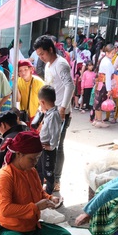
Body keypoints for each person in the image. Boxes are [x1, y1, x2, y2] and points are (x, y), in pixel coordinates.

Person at [34, 35, 74, 193]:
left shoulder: (61, 64)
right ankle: (47, 175)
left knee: (57, 145)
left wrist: (63, 108)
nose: (41, 58)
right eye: (38, 55)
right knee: (47, 144)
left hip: (59, 112)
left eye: (42, 54)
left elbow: (69, 86)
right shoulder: (49, 65)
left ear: (50, 49)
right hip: (49, 110)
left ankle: (56, 179)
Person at [33, 85, 63, 196]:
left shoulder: (54, 115)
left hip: (48, 149)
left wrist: (52, 146)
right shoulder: (48, 113)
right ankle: (40, 191)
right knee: (40, 169)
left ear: (42, 102)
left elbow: (55, 133)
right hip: (43, 147)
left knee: (48, 172)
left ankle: (49, 194)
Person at [91, 44, 116, 128]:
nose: (113, 55)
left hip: (100, 83)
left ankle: (97, 120)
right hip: (104, 84)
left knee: (98, 102)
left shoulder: (104, 60)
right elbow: (108, 77)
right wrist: (109, 89)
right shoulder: (107, 62)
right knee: (100, 102)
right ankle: (98, 120)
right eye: (112, 53)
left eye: (114, 53)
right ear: (107, 53)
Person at [17, 59, 44, 125]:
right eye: (20, 70)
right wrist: (14, 84)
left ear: (30, 70)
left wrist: (40, 114)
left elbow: (44, 100)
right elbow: (18, 99)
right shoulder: (18, 81)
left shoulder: (39, 82)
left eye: (25, 69)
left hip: (36, 115)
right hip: (23, 115)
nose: (23, 72)